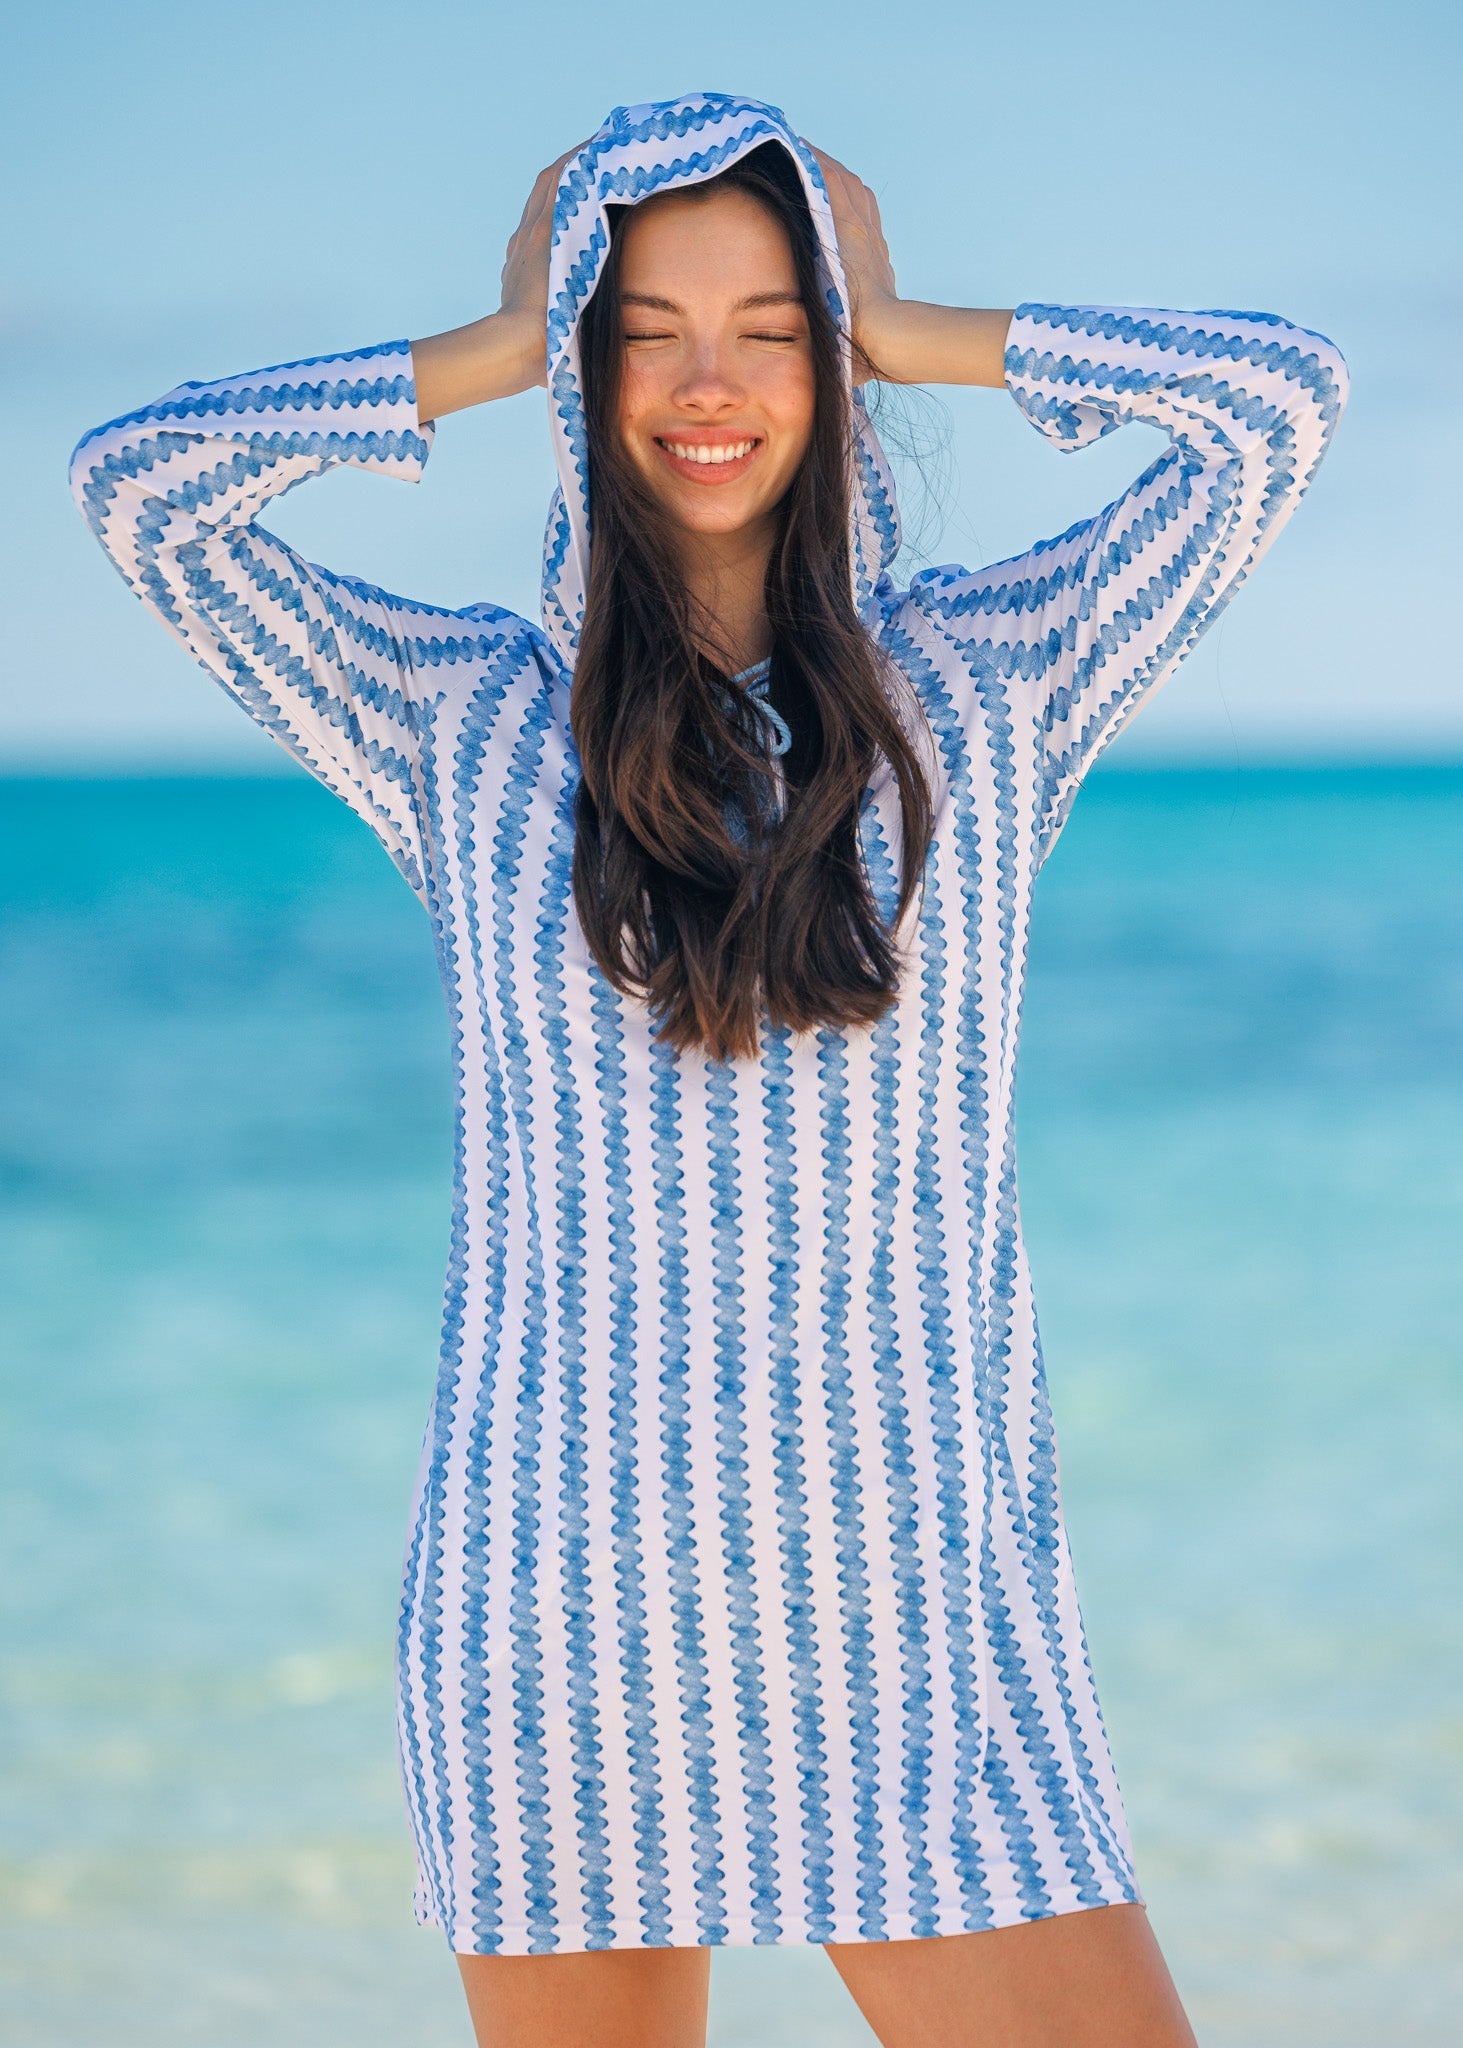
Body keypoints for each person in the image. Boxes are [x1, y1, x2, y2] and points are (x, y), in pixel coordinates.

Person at [68, 89, 1348, 2048]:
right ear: (585, 369)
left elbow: (1280, 410)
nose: (707, 383)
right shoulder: (455, 714)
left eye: (765, 323)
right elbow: (140, 489)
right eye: (643, 326)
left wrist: (911, 323)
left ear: (828, 360)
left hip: (924, 1619)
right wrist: (493, 348)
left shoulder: (991, 678)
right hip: (560, 1614)